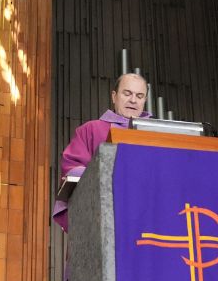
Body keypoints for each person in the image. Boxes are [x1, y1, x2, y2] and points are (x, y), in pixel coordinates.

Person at [55, 73, 151, 231]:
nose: (133, 100)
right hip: (103, 221)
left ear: (144, 100)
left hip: (148, 220)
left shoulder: (157, 135)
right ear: (114, 96)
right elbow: (73, 170)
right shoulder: (91, 129)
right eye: (127, 93)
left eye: (139, 96)